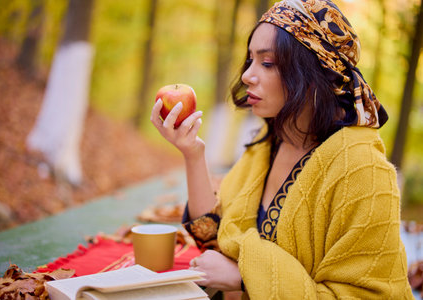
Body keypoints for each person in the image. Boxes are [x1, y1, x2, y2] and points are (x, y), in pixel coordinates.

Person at [151, 0, 414, 298]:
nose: (248, 75)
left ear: (315, 73)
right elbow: (213, 240)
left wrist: (247, 277)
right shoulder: (267, 147)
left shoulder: (363, 171)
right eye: (250, 60)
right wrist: (192, 154)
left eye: (267, 63)